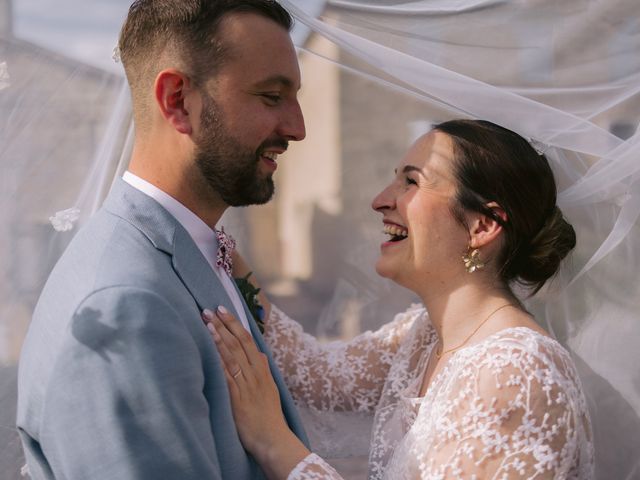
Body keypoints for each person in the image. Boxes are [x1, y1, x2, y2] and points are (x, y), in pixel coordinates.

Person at [205, 119, 595, 479]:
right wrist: (218, 245)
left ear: (482, 226)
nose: (380, 200)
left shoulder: (516, 373)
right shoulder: (424, 334)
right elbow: (315, 371)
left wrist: (273, 441)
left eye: (411, 182)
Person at [16, 1, 309, 479]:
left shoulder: (190, 251)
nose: (297, 128)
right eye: (271, 97)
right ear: (177, 100)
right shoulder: (128, 305)